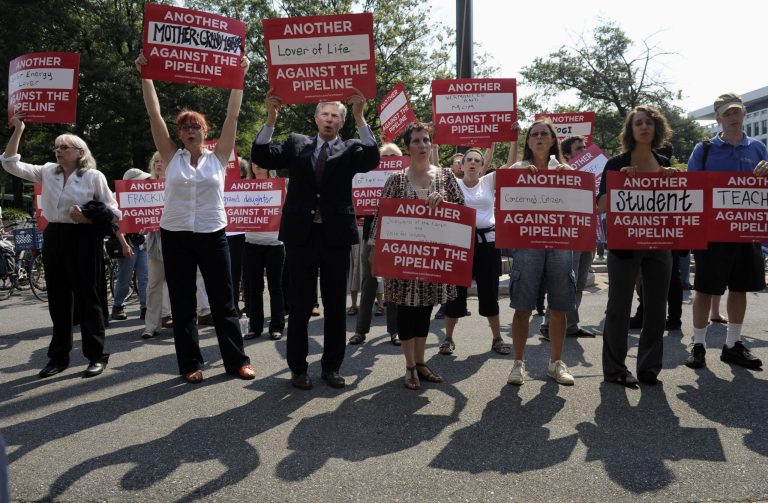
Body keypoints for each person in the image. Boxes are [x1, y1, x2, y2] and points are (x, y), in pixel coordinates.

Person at [136, 54, 254, 383]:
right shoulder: (170, 156)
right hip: (175, 235)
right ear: (179, 134)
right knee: (184, 304)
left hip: (212, 233)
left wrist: (239, 78)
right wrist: (146, 75)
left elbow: (233, 114)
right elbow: (153, 113)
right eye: (185, 127)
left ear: (205, 132)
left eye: (196, 127)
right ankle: (190, 364)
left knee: (223, 301)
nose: (190, 131)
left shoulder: (219, 157)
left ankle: (238, 361)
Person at [251, 88, 380, 390]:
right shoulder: (297, 143)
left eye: (336, 116)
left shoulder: (350, 148)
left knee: (335, 306)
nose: (329, 120)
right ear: (316, 117)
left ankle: (331, 367)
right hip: (301, 237)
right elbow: (260, 155)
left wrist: (360, 116)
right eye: (325, 114)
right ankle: (298, 368)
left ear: (341, 122)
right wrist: (271, 117)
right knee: (300, 304)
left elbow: (372, 158)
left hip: (335, 237)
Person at [2, 113, 120, 378]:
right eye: (56, 147)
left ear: (80, 152)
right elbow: (10, 163)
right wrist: (19, 129)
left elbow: (114, 211)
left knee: (88, 298)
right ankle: (58, 357)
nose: (58, 150)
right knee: (58, 299)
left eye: (63, 147)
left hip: (83, 236)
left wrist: (87, 217)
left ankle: (96, 355)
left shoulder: (93, 176)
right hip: (55, 235)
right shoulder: (47, 171)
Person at [370, 122, 464, 390]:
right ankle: (409, 366)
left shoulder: (446, 178)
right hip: (402, 260)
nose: (422, 145)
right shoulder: (396, 180)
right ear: (408, 147)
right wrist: (375, 254)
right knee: (405, 312)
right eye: (416, 141)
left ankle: (422, 363)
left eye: (426, 140)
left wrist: (445, 203)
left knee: (424, 311)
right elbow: (381, 217)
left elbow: (462, 212)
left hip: (432, 259)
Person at [684, 92, 767, 370]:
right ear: (718, 118)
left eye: (737, 112)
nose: (733, 117)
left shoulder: (758, 148)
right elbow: (691, 189)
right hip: (712, 232)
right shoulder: (704, 148)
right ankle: (697, 344)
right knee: (705, 289)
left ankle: (733, 344)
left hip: (746, 230)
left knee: (740, 287)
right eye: (727, 113)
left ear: (744, 114)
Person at [597, 105, 676, 386]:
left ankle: (648, 368)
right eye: (638, 123)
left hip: (659, 243)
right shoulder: (616, 163)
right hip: (624, 244)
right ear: (630, 130)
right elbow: (600, 206)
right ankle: (615, 369)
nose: (643, 127)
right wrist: (620, 183)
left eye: (648, 123)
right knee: (618, 307)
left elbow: (677, 205)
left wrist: (673, 181)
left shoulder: (665, 161)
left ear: (656, 129)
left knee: (656, 308)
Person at [506, 120, 576, 386]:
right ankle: (518, 363)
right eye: (533, 134)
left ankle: (555, 364)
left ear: (552, 140)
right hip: (527, 245)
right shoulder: (517, 169)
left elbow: (579, 205)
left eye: (543, 134)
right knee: (522, 306)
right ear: (527, 141)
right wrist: (521, 180)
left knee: (559, 307)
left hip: (559, 245)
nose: (538, 138)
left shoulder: (566, 169)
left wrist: (568, 178)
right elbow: (503, 200)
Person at [441, 145, 516, 356]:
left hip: (487, 244)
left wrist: (513, 140)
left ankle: (497, 338)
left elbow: (509, 167)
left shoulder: (488, 181)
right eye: (469, 160)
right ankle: (448, 338)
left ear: (483, 166)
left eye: (477, 160)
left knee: (489, 291)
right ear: (461, 165)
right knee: (455, 292)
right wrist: (436, 145)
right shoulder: (452, 183)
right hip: (460, 243)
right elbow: (434, 167)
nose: (473, 163)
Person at [539, 135, 596, 339]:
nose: (585, 151)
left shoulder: (592, 176)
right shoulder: (558, 173)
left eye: (585, 147)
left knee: (579, 283)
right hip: (567, 236)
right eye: (580, 149)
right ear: (568, 154)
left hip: (587, 235)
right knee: (563, 282)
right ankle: (548, 326)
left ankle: (570, 325)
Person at [348, 143, 402, 347]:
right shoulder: (366, 175)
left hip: (396, 231)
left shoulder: (404, 179)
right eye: (385, 157)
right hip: (371, 232)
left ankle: (395, 331)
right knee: (368, 281)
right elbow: (358, 206)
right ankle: (360, 331)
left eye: (392, 157)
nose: (388, 160)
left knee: (393, 283)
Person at [242, 160, 285, 341]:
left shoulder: (280, 186)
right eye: (255, 162)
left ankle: (276, 326)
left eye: (262, 162)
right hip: (251, 242)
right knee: (254, 287)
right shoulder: (244, 188)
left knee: (276, 287)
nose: (258, 165)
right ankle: (255, 327)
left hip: (275, 243)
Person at [111, 168, 150, 322]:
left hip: (142, 242)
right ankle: (118, 306)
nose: (145, 182)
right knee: (125, 276)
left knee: (145, 276)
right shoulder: (116, 198)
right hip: (127, 241)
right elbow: (115, 223)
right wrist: (124, 243)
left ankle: (145, 307)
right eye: (141, 180)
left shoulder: (146, 196)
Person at [141, 152, 173, 339]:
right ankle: (151, 326)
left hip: (176, 238)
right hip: (155, 242)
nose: (159, 164)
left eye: (163, 161)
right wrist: (139, 225)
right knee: (153, 285)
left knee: (179, 284)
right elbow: (139, 215)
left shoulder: (177, 185)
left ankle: (183, 321)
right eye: (156, 161)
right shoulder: (146, 188)